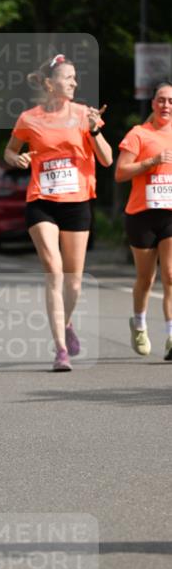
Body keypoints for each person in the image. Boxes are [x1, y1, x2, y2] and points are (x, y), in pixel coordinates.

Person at [3, 53, 113, 371]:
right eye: (69, 78)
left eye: (76, 77)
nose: (75, 82)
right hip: (41, 201)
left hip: (77, 202)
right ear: (51, 84)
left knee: (74, 282)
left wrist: (94, 130)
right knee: (54, 269)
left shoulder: (84, 115)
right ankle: (61, 350)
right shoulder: (29, 118)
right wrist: (17, 159)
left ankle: (66, 324)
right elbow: (10, 151)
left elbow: (106, 160)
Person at [115, 81, 172, 360]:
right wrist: (152, 162)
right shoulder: (139, 134)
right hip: (141, 215)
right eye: (161, 100)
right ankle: (139, 324)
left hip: (170, 213)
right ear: (153, 104)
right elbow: (120, 173)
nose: (166, 106)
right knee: (146, 278)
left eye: (171, 101)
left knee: (171, 275)